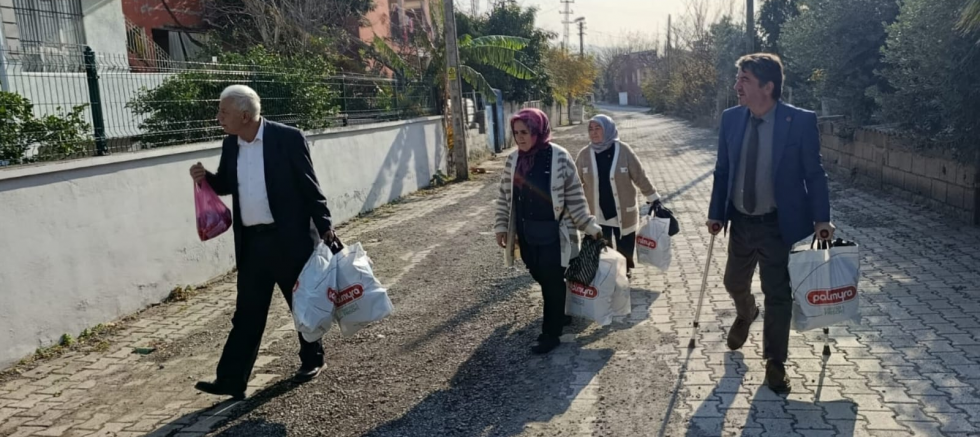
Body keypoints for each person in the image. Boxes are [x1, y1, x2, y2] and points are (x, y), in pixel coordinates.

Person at [189, 85, 337, 400]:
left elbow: (309, 185)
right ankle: (231, 379)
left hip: (289, 240)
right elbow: (227, 183)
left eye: (224, 112)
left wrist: (325, 227)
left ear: (245, 115)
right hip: (252, 244)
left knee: (301, 304)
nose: (218, 118)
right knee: (247, 312)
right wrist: (206, 178)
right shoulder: (231, 143)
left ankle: (312, 359)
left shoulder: (287, 138)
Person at [707, 53, 834, 394]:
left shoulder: (799, 121)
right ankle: (746, 311)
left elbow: (814, 174)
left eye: (744, 80)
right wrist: (716, 212)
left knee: (777, 293)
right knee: (734, 282)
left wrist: (822, 219)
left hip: (778, 224)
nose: (737, 86)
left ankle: (775, 362)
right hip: (740, 220)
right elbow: (722, 170)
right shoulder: (731, 119)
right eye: (738, 79)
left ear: (768, 86)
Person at [494, 108, 603, 355]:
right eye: (516, 133)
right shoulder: (513, 160)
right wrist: (501, 226)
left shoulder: (559, 157)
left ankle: (550, 333)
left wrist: (590, 226)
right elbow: (504, 196)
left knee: (552, 280)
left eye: (525, 132)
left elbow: (575, 197)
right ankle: (561, 311)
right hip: (526, 233)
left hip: (555, 234)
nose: (520, 138)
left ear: (538, 131)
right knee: (539, 274)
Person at [576, 114, 663, 278]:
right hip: (598, 212)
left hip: (622, 210)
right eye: (591, 129)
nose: (594, 132)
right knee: (603, 249)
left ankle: (625, 272)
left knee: (625, 245)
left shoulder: (623, 150)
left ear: (608, 129)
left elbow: (639, 176)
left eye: (598, 128)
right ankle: (607, 277)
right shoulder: (584, 154)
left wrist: (653, 197)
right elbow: (574, 183)